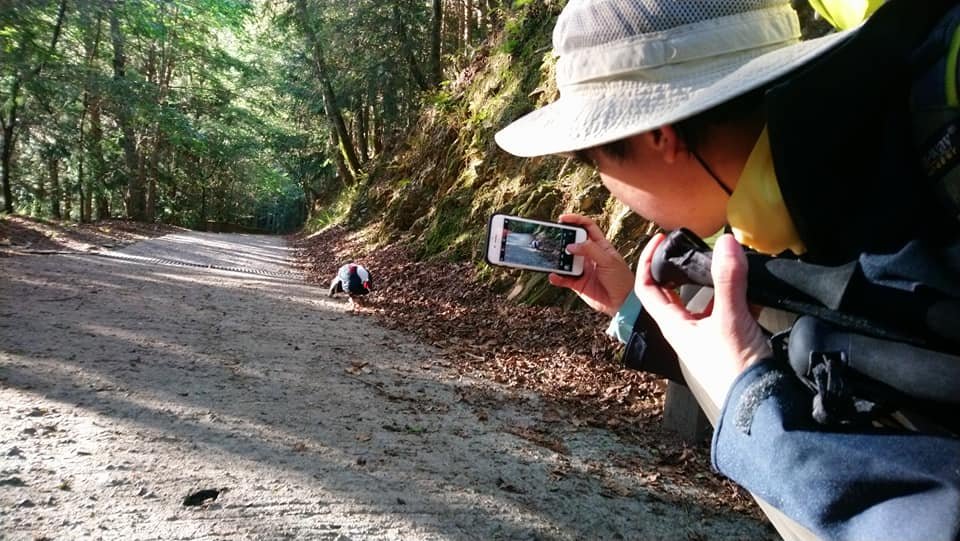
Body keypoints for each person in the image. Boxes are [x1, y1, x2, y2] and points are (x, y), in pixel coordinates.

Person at [494, 1, 960, 540]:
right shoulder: (846, 173)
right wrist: (630, 305)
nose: (604, 184)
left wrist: (752, 403)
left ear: (659, 136)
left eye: (596, 161)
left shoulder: (924, 182)